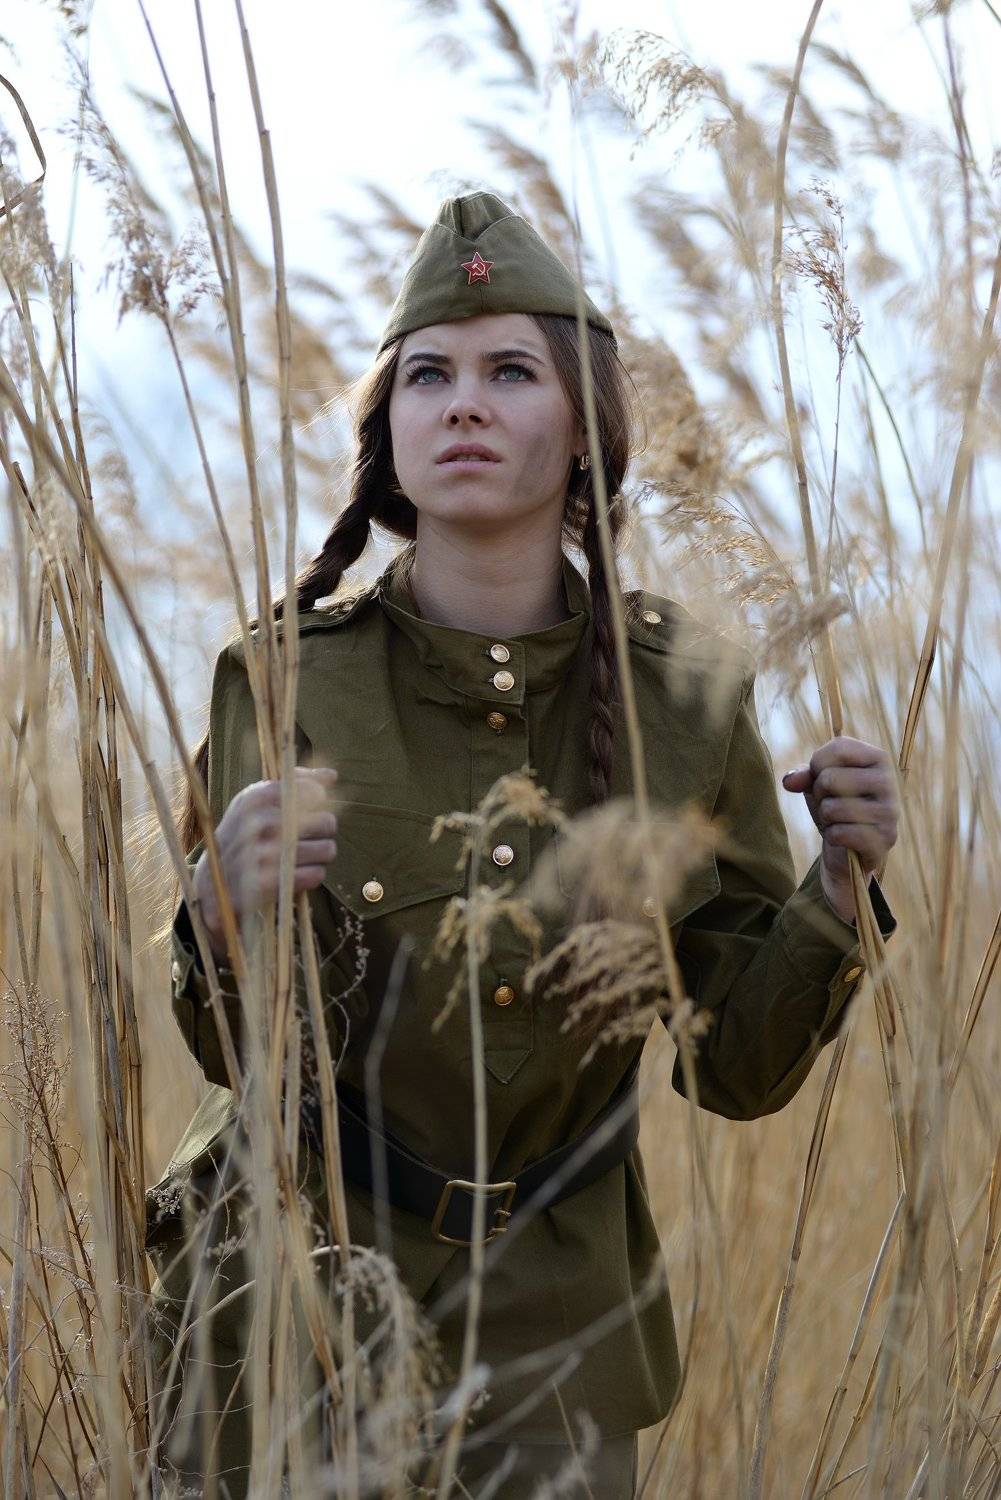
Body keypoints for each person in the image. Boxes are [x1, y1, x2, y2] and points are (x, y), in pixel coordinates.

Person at [145, 190, 899, 1497]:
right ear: (388, 435)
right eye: (427, 376)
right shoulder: (284, 679)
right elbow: (244, 1053)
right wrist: (213, 913)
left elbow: (734, 1066)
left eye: (510, 372)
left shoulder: (686, 698)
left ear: (586, 429)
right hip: (282, 1299)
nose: (464, 405)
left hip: (560, 1332)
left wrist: (838, 887)